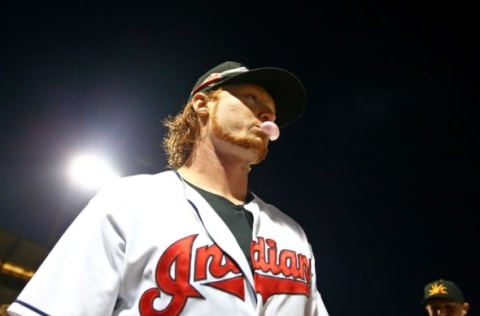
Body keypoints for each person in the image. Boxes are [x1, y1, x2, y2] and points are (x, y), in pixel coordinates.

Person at [7, 61, 329, 315]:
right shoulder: (130, 201)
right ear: (203, 104)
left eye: (270, 111)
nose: (267, 114)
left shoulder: (292, 235)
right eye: (251, 98)